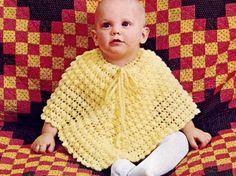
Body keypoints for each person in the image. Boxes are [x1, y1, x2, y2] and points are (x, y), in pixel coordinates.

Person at [31, 0, 212, 175]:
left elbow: (173, 101)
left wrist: (190, 129)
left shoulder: (152, 64)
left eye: (125, 24)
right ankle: (129, 170)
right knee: (108, 157)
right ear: (95, 37)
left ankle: (145, 171)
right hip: (98, 135)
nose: (116, 30)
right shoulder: (85, 66)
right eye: (107, 25)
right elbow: (62, 104)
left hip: (148, 132)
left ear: (143, 35)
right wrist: (47, 134)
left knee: (178, 140)